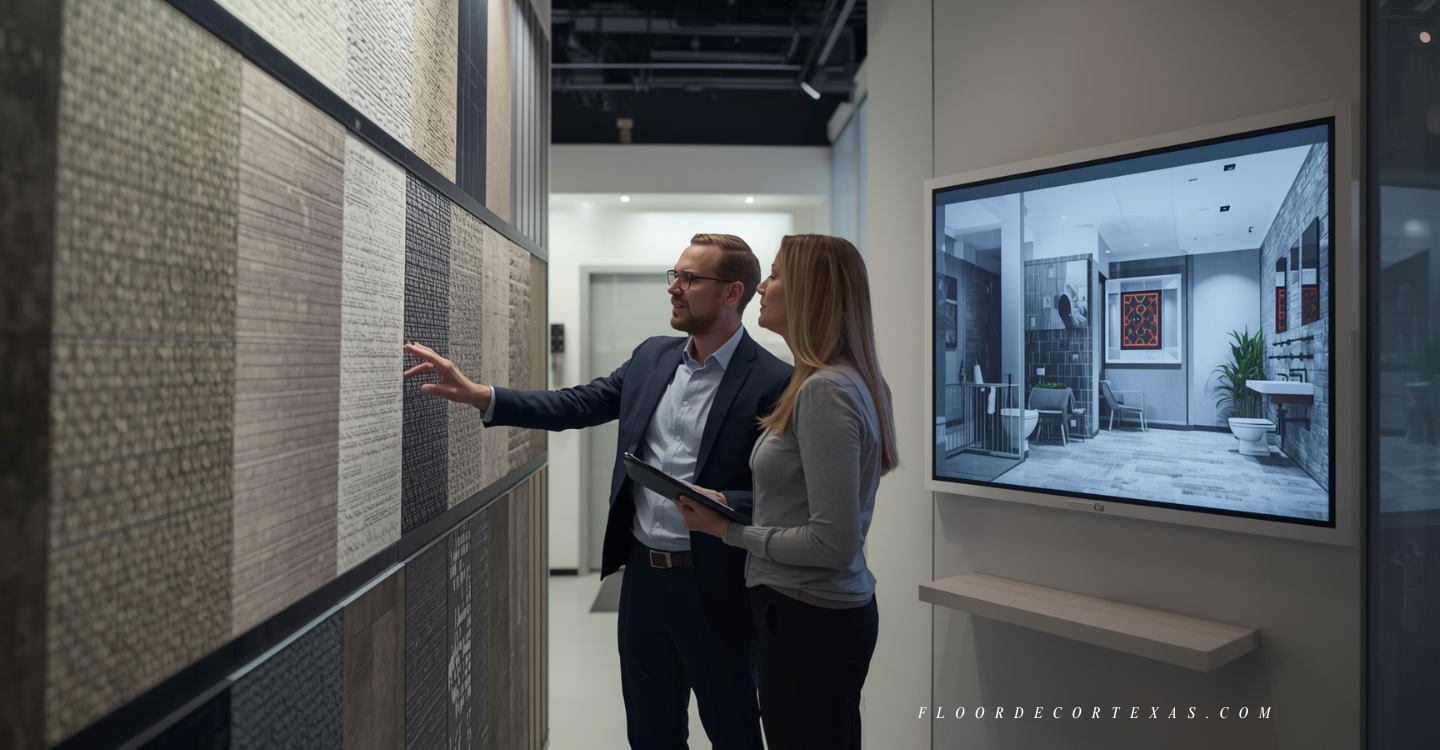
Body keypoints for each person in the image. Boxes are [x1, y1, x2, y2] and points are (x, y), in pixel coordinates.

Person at [403, 233, 791, 750]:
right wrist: (481, 395)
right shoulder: (653, 357)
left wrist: (727, 503)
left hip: (717, 586)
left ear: (731, 293)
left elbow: (783, 493)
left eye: (689, 279)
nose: (674, 288)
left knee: (735, 731)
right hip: (643, 585)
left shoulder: (775, 380)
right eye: (672, 275)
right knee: (651, 734)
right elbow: (577, 404)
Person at [674, 233, 898, 750]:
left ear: (810, 292)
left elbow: (832, 543)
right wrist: (729, 504)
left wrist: (728, 531)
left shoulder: (825, 390)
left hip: (809, 619)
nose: (762, 288)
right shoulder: (832, 380)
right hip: (810, 615)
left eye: (774, 276)